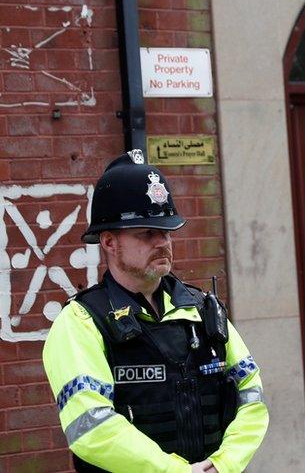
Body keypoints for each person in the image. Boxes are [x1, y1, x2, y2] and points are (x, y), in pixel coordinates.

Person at [42, 149, 268, 473]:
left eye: (166, 231)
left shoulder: (204, 310)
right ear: (109, 242)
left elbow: (251, 394)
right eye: (146, 233)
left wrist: (224, 464)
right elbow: (91, 428)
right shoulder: (80, 323)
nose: (162, 242)